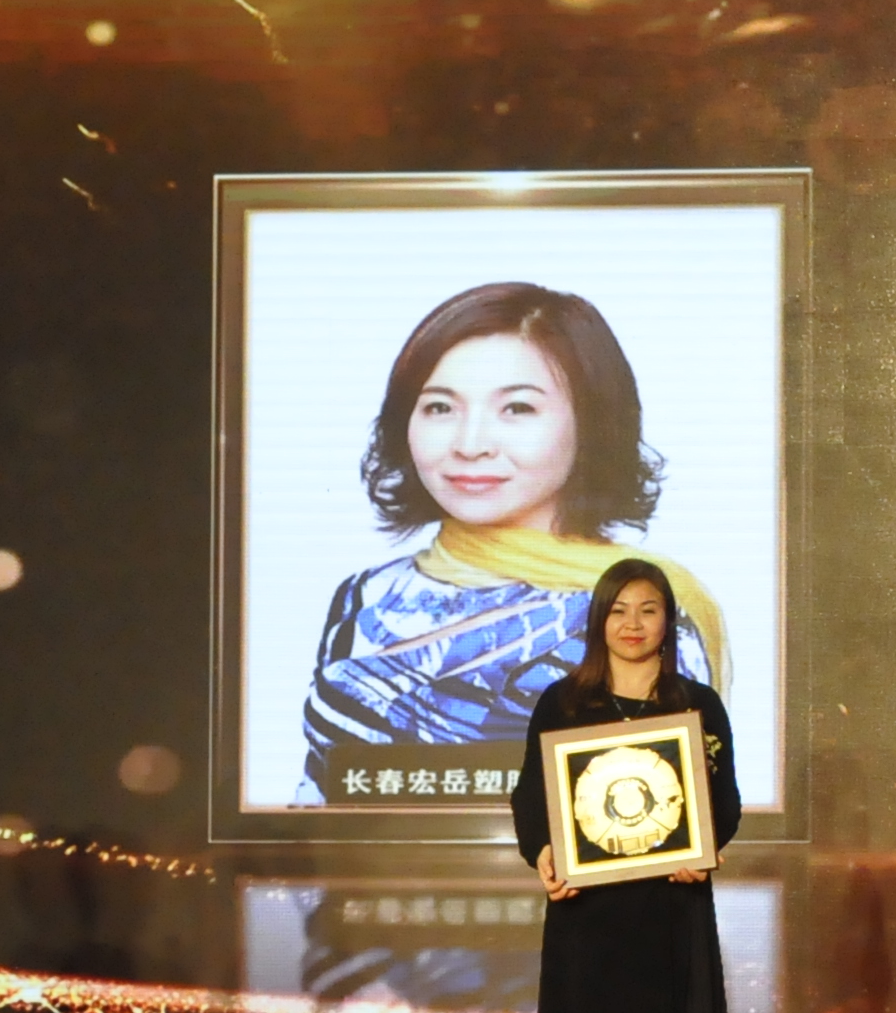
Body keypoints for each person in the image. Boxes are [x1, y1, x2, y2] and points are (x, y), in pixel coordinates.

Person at [302, 281, 728, 805]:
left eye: (518, 409)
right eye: (440, 408)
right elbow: (317, 799)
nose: (470, 444)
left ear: (592, 423)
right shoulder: (364, 596)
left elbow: (652, 817)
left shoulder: (635, 608)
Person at [511, 558, 742, 1013]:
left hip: (669, 909)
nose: (633, 624)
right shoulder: (563, 704)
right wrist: (544, 852)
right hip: (589, 915)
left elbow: (724, 802)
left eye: (648, 610)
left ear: (668, 621)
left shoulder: (698, 705)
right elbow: (531, 799)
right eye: (619, 610)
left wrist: (705, 847)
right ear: (598, 621)